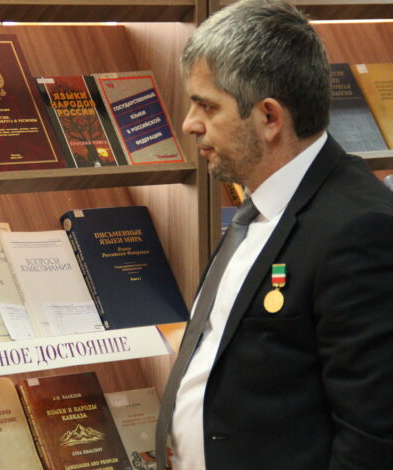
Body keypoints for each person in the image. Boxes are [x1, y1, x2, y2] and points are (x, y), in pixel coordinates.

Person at [155, 1, 393, 469]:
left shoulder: (360, 231)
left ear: (269, 117)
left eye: (207, 106)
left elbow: (374, 434)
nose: (189, 123)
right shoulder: (259, 206)